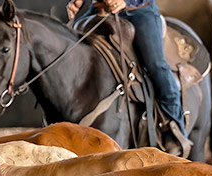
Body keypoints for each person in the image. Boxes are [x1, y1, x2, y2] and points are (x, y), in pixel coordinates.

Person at [66, 0, 191, 157]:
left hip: (138, 11)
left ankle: (174, 128)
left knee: (155, 65)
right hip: (99, 10)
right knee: (69, 47)